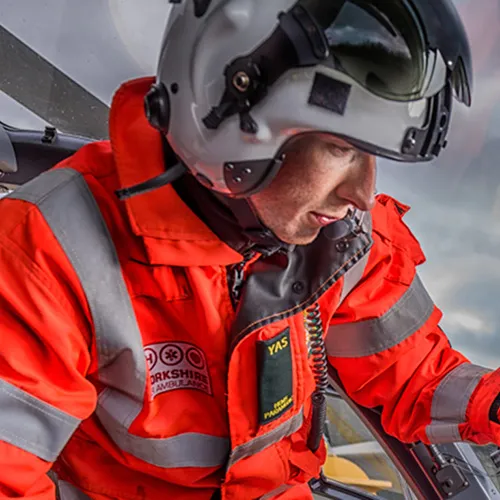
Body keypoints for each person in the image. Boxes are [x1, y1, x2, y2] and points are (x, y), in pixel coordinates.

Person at [0, 1, 499, 499]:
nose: (362, 195)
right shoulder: (46, 251)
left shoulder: (346, 239)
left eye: (372, 155)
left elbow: (416, 375)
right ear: (234, 114)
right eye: (342, 149)